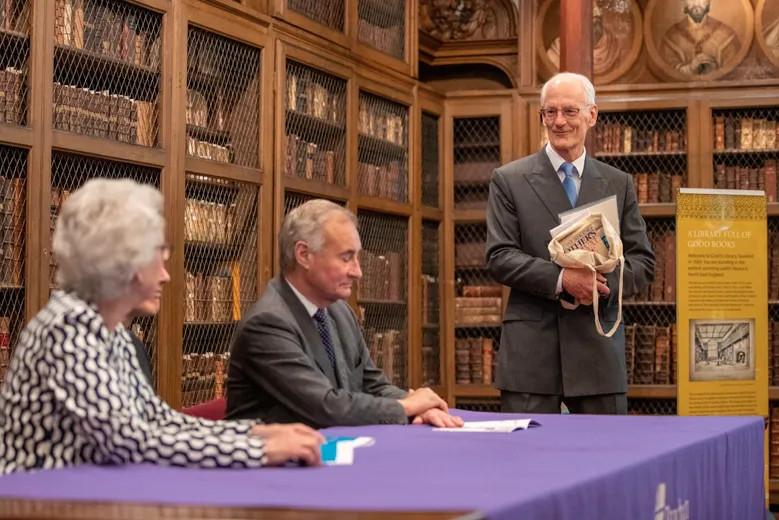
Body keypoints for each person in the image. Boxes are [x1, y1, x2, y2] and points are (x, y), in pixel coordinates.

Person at [0, 178, 324, 475]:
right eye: (159, 255)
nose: (166, 275)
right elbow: (127, 441)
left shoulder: (113, 335)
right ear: (125, 261)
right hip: (35, 501)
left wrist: (255, 431)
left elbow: (158, 421)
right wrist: (258, 450)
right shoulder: (67, 330)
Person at [485, 72, 655, 415]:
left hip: (598, 350)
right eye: (550, 112)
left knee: (605, 460)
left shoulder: (617, 183)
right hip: (532, 355)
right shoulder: (509, 179)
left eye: (570, 112)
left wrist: (602, 284)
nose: (559, 122)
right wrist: (563, 281)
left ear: (591, 115)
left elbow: (643, 262)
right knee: (529, 463)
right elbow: (499, 256)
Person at [225, 199, 463, 429]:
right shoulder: (268, 324)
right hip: (273, 465)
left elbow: (374, 385)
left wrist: (421, 408)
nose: (358, 271)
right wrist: (405, 407)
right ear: (304, 255)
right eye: (346, 258)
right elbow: (326, 407)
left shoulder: (340, 312)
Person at [659, 0, 740, 76]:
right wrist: (689, 68)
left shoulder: (726, 35)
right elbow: (667, 69)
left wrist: (716, 69)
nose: (696, 4)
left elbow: (734, 72)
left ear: (709, 4)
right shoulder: (671, 37)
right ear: (684, 5)